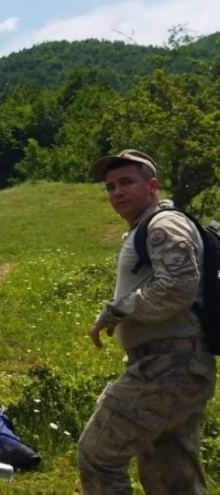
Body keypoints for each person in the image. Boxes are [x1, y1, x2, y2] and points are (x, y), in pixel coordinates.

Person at [78, 149, 215, 494]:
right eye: (110, 187)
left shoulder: (163, 223)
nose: (117, 192)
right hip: (177, 365)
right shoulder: (147, 227)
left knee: (98, 454)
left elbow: (178, 287)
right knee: (172, 479)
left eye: (126, 182)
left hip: (167, 366)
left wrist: (116, 310)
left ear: (152, 186)